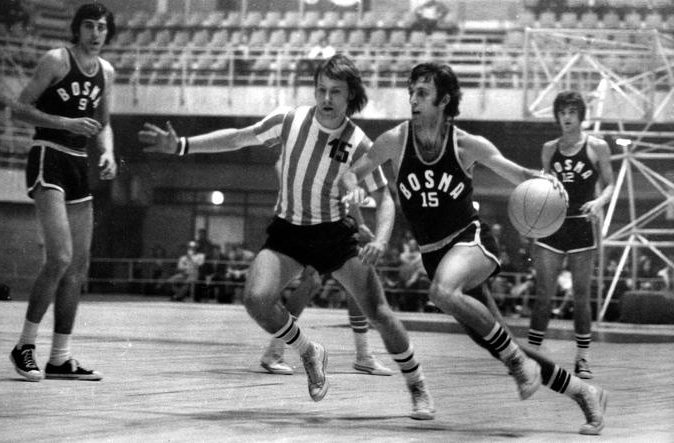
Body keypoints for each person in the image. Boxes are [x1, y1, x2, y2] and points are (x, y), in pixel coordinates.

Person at [138, 54, 435, 419]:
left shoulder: (358, 143)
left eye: (336, 92)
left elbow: (385, 198)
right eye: (321, 90)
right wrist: (182, 145)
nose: (326, 98)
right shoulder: (289, 120)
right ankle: (309, 351)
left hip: (334, 235)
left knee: (380, 313)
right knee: (256, 298)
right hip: (288, 231)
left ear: (350, 97)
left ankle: (417, 385)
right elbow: (238, 138)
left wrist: (381, 239)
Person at [342, 62, 607, 435]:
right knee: (494, 338)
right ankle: (584, 392)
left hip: (472, 242)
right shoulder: (395, 141)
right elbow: (354, 170)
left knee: (443, 292)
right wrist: (353, 187)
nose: (413, 100)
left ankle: (517, 363)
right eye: (411, 93)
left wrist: (545, 181)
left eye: (422, 94)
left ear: (443, 100)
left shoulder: (466, 144)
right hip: (435, 254)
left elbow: (517, 173)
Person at [7, 2, 117, 382]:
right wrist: (64, 120)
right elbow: (17, 110)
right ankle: (24, 345)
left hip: (77, 162)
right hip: (48, 155)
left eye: (102, 27)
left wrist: (109, 153)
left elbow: (103, 123)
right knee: (59, 257)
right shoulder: (56, 60)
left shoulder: (106, 72)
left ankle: (60, 357)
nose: (96, 32)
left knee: (78, 267)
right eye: (89, 25)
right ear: (77, 28)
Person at [528, 91, 615, 380]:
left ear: (580, 115)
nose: (566, 116)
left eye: (571, 111)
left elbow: (610, 184)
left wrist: (600, 202)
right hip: (552, 225)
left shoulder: (596, 147)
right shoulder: (548, 148)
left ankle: (582, 358)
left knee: (580, 295)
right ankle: (533, 356)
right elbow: (544, 185)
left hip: (581, 225)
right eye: (562, 111)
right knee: (543, 294)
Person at [259, 204, 392, 377]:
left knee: (352, 285)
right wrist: (360, 224)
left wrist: (359, 224)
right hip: (313, 228)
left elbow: (352, 196)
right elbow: (347, 193)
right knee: (311, 282)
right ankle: (274, 352)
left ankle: (364, 355)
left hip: (333, 230)